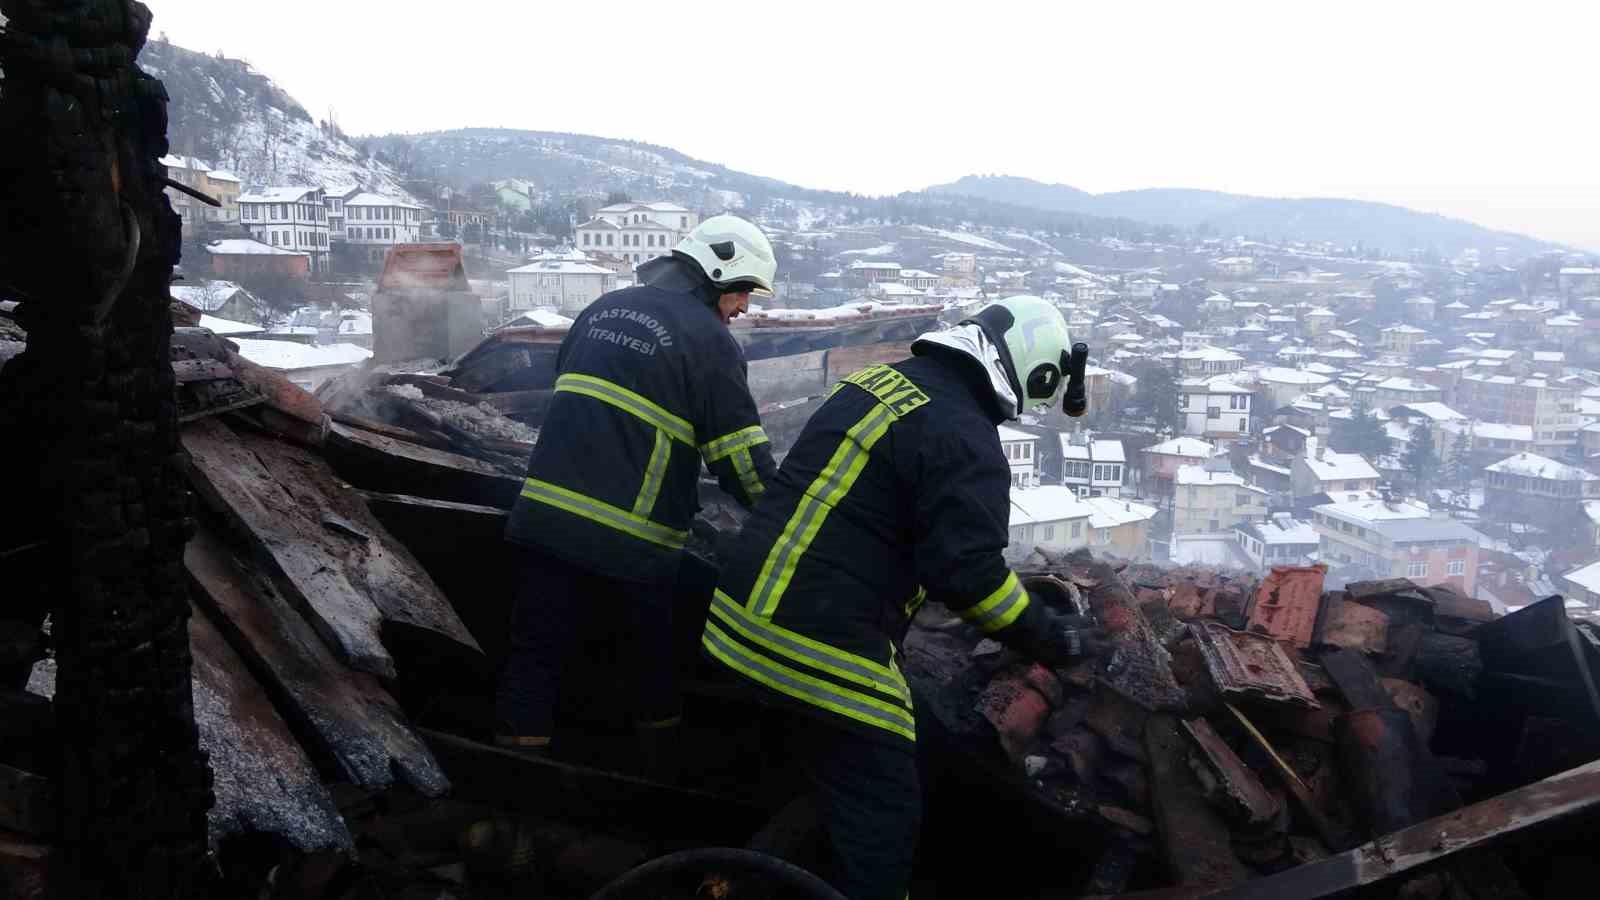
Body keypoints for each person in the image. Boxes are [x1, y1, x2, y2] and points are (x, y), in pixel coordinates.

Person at [701, 295, 1104, 900]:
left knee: (866, 756)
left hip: (736, 620)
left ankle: (741, 879)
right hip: (814, 643)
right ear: (1036, 373)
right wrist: (1052, 635)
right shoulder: (966, 436)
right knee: (886, 811)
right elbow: (969, 578)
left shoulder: (878, 384)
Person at [496, 214, 779, 771]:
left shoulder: (599, 310)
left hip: (541, 520)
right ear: (719, 275)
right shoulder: (709, 341)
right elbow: (740, 460)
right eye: (743, 292)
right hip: (631, 541)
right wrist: (785, 522)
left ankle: (514, 791)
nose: (744, 307)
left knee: (534, 660)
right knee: (653, 669)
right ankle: (658, 784)